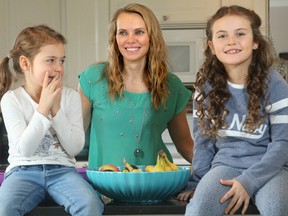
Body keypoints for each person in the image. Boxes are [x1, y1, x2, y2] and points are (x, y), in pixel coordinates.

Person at [179, 5, 288, 216]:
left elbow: (284, 143)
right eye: (222, 36)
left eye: (240, 34)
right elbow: (204, 140)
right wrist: (197, 181)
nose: (231, 41)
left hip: (271, 169)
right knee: (199, 209)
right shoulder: (206, 86)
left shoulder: (275, 84)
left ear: (255, 41)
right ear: (211, 46)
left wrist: (248, 181)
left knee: (277, 207)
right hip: (224, 167)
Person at [0, 25, 104, 216]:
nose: (59, 68)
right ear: (25, 63)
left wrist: (55, 109)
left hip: (63, 172)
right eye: (50, 60)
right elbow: (25, 149)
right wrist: (43, 108)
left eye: (62, 60)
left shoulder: (70, 97)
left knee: (91, 205)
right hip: (22, 172)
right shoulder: (11, 100)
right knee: (4, 208)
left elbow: (74, 148)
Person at [78, 3, 193, 169]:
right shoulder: (93, 79)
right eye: (123, 33)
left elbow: (186, 146)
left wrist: (216, 174)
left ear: (152, 36)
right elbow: (71, 138)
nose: (130, 39)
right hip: (105, 187)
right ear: (114, 38)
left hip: (155, 184)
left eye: (139, 32)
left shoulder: (171, 85)